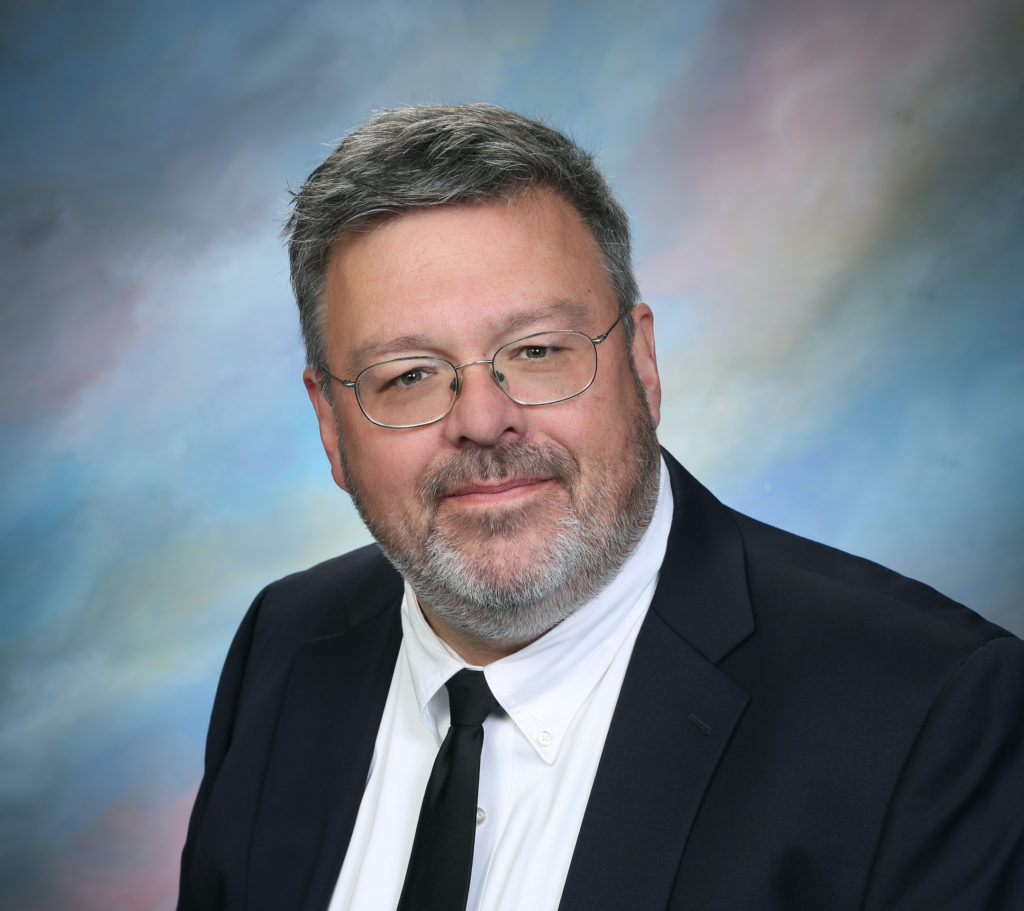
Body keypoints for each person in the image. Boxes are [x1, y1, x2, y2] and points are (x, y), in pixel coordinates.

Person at [177, 104, 1024, 911]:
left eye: (538, 350)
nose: (483, 420)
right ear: (330, 424)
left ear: (642, 363)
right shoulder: (284, 646)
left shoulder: (927, 711)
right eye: (409, 375)